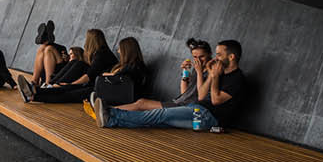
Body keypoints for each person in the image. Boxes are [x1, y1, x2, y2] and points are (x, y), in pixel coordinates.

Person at [93, 40, 246, 131]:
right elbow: (200, 95)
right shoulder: (219, 72)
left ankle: (111, 114)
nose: (217, 58)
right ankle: (110, 117)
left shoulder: (237, 78)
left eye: (219, 54)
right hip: (197, 110)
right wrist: (203, 75)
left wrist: (212, 76)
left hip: (209, 117)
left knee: (160, 114)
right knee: (157, 119)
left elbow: (215, 100)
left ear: (231, 57)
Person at [23, 28, 112, 102]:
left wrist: (71, 84)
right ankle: (39, 90)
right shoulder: (99, 53)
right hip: (95, 83)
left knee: (68, 92)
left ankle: (35, 94)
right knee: (67, 86)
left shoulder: (101, 54)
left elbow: (88, 76)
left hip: (98, 86)